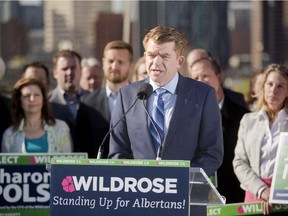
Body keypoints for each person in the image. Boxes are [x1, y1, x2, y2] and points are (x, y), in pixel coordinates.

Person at [108, 26, 223, 216]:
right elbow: (117, 152)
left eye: (164, 56)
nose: (156, 62)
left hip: (186, 203)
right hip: (139, 204)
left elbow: (212, 153)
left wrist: (176, 184)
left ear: (179, 61)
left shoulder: (202, 95)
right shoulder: (128, 95)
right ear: (145, 57)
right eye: (151, 55)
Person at [189, 56, 250, 203]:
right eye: (196, 78)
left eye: (205, 76)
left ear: (219, 76)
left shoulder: (243, 117)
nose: (201, 81)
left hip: (236, 197)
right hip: (200, 197)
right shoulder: (186, 117)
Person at [233, 64, 288, 214]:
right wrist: (262, 190)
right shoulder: (248, 121)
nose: (273, 90)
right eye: (270, 84)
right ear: (263, 86)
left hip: (284, 199)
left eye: (280, 86)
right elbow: (239, 162)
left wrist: (277, 192)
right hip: (254, 195)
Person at [76, 40, 133, 158]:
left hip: (134, 173)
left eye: (120, 62)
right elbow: (81, 146)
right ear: (103, 62)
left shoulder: (142, 100)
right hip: (98, 173)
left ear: (130, 65)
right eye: (110, 61)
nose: (114, 66)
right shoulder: (87, 103)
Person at [1, 77, 72, 153]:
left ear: (43, 100)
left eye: (37, 95)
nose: (32, 99)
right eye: (27, 96)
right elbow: (4, 164)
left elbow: (68, 162)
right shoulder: (9, 135)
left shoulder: (61, 129)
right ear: (19, 102)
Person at [49, 49, 88, 151]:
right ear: (55, 72)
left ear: (81, 69)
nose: (69, 72)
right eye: (64, 68)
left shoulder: (94, 101)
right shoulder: (46, 103)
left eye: (73, 68)